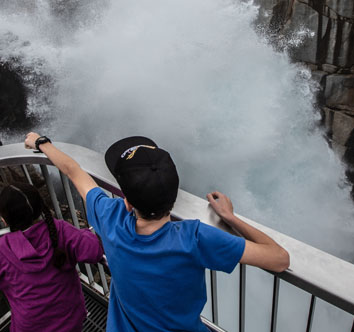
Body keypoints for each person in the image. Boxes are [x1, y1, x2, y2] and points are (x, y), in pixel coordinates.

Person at [25, 133, 290, 332]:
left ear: (126, 201)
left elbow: (74, 171)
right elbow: (279, 259)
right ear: (173, 196)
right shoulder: (194, 238)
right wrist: (231, 218)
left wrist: (41, 143)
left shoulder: (110, 217)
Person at [0, 182, 104, 332]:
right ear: (41, 208)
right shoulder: (59, 230)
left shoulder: (3, 250)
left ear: (5, 220)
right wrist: (84, 233)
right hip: (70, 320)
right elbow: (94, 251)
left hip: (30, 327)